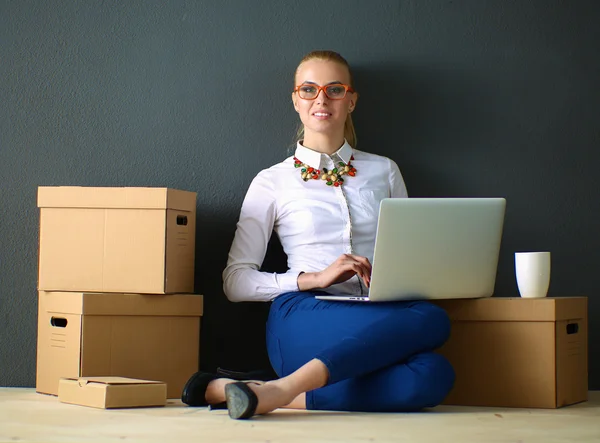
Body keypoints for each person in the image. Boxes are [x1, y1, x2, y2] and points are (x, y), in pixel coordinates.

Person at [181, 50, 455, 419]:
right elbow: (236, 282)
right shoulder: (272, 181)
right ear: (296, 99)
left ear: (351, 99)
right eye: (309, 89)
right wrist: (315, 278)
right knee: (433, 321)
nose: (321, 99)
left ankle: (267, 392)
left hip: (379, 314)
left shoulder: (385, 171)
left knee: (434, 373)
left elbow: (409, 255)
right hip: (304, 315)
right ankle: (286, 386)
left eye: (335, 89)